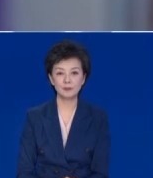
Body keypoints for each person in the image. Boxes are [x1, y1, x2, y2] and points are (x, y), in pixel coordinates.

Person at [17, 40, 110, 178]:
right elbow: (24, 172)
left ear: (83, 78)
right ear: (51, 78)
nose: (67, 80)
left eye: (74, 73)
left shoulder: (98, 118)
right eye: (60, 73)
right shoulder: (35, 117)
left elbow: (101, 174)